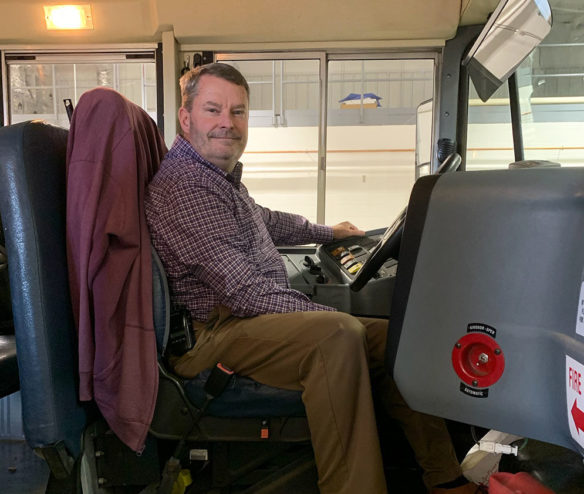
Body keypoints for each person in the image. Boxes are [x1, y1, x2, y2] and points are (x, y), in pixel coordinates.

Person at [145, 63, 481, 494]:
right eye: (214, 110)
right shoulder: (185, 186)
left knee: (395, 341)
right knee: (336, 334)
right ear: (186, 117)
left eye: (239, 112)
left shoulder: (218, 180)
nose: (227, 123)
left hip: (244, 322)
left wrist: (330, 233)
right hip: (213, 336)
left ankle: (447, 481)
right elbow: (247, 293)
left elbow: (264, 220)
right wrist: (328, 315)